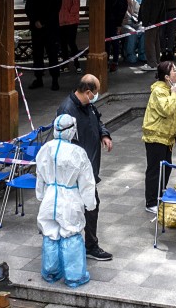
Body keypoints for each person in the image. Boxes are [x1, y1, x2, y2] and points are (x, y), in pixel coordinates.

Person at [56, 75, 113, 261]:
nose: (96, 97)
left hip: (89, 167)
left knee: (91, 206)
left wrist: (104, 134)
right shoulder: (67, 110)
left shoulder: (88, 105)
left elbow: (97, 121)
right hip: (76, 172)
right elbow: (64, 143)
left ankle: (89, 244)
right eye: (95, 93)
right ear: (88, 92)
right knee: (83, 207)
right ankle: (86, 245)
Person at [36, 114, 96, 288]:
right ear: (72, 130)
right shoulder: (77, 152)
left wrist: (41, 194)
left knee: (50, 233)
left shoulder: (45, 149)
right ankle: (74, 275)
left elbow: (39, 175)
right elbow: (87, 182)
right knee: (70, 234)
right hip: (69, 197)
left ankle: (51, 271)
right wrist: (90, 203)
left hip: (50, 196)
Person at [143, 61, 176, 213]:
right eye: (174, 70)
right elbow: (167, 110)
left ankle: (160, 196)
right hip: (156, 136)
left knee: (166, 168)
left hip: (168, 137)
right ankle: (150, 202)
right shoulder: (158, 91)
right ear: (167, 77)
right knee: (155, 169)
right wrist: (174, 94)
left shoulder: (171, 89)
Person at [27, 0, 63, 89]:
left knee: (52, 54)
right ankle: (38, 78)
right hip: (36, 30)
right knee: (37, 54)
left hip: (50, 29)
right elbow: (29, 8)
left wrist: (43, 22)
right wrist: (35, 21)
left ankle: (55, 79)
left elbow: (55, 10)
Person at [56, 0, 82, 73]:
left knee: (72, 43)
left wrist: (69, 15)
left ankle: (77, 63)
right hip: (60, 21)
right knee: (63, 44)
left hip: (71, 21)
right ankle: (65, 65)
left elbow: (76, 4)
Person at [139, 0, 164, 69]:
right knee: (155, 41)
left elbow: (155, 6)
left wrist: (151, 20)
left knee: (149, 42)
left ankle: (152, 63)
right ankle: (156, 61)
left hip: (152, 20)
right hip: (153, 19)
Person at [104, 0, 127, 72]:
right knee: (106, 43)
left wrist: (119, 24)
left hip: (115, 22)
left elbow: (122, 10)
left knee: (115, 43)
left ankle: (115, 62)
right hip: (105, 22)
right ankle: (106, 61)